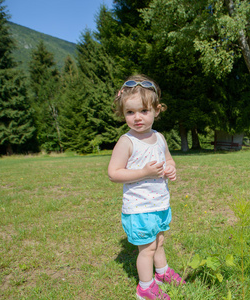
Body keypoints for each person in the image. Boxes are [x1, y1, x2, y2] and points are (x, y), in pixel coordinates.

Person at [108, 74, 185, 300]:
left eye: (143, 111)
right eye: (130, 112)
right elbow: (114, 173)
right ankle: (145, 287)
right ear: (123, 113)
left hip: (159, 203)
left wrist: (170, 168)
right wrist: (144, 172)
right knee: (148, 249)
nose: (137, 117)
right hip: (139, 208)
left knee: (159, 241)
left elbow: (169, 160)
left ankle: (161, 273)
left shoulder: (159, 138)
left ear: (157, 110)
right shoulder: (127, 142)